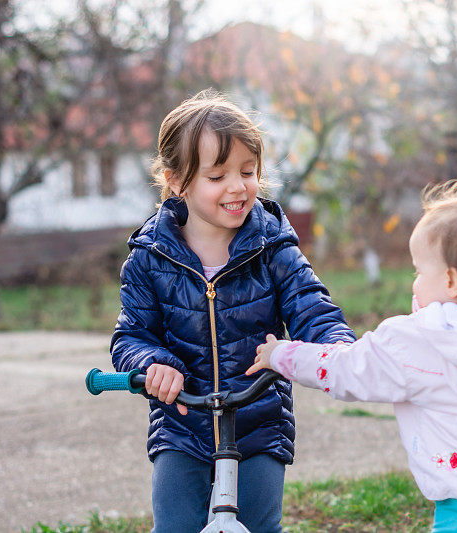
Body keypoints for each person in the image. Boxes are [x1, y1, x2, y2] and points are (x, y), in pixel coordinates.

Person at [248, 180, 457, 533]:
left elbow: (345, 371)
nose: (414, 281)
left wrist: (283, 355)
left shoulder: (414, 340)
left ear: (451, 283)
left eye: (419, 271)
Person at [110, 89, 355, 533]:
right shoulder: (150, 257)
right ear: (177, 181)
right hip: (182, 426)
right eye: (217, 175)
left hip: (259, 420)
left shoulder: (273, 247)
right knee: (175, 526)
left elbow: (311, 308)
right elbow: (131, 336)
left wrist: (335, 347)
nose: (238, 187)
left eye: (247, 171)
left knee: (261, 525)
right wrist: (154, 365)